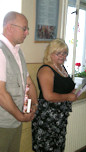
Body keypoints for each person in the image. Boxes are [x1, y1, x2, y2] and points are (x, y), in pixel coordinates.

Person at [0, 11, 38, 152]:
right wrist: (21, 116)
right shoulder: (0, 51)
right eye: (24, 28)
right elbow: (0, 93)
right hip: (2, 123)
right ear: (10, 28)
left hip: (15, 121)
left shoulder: (18, 51)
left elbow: (28, 81)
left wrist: (34, 104)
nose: (27, 32)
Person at [32, 38, 77, 152]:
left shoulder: (61, 67)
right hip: (48, 118)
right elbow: (48, 96)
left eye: (64, 53)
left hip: (60, 117)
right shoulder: (46, 70)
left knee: (58, 147)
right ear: (50, 54)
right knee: (47, 148)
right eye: (58, 53)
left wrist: (71, 92)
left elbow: (62, 88)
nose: (62, 56)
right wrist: (68, 97)